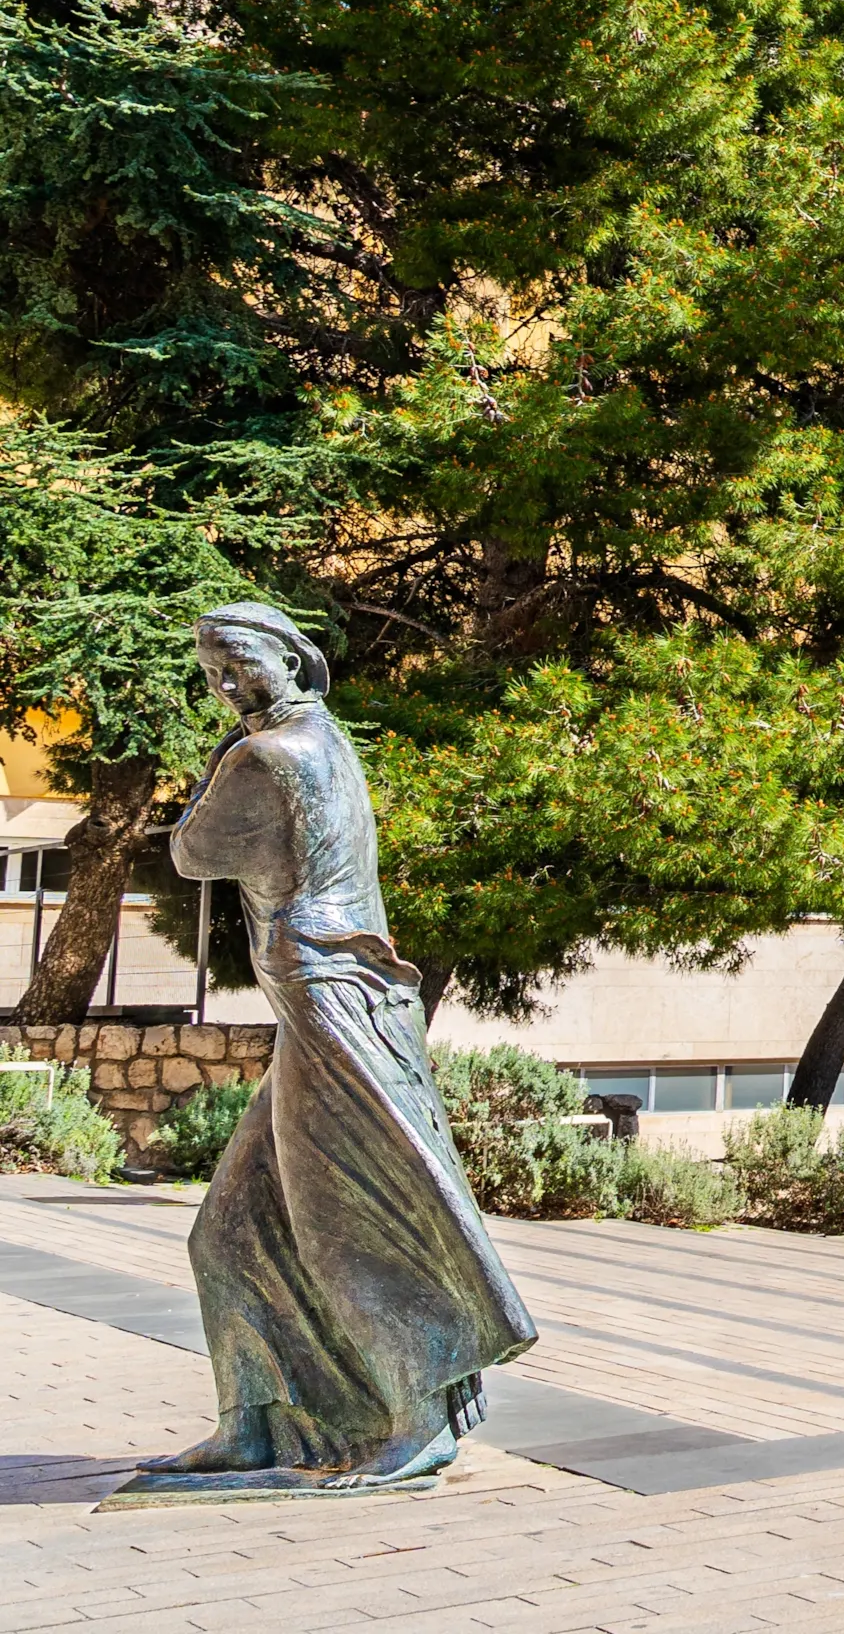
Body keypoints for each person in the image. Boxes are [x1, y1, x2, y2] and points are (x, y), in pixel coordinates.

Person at [112, 603, 536, 1501]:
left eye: (238, 665)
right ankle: (254, 1423)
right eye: (213, 672)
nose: (225, 685)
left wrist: (216, 769)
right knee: (231, 1231)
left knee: (352, 1218)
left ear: (293, 660)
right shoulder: (311, 738)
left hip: (327, 995)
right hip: (319, 993)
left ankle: (416, 1423)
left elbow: (191, 853)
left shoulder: (275, 754)